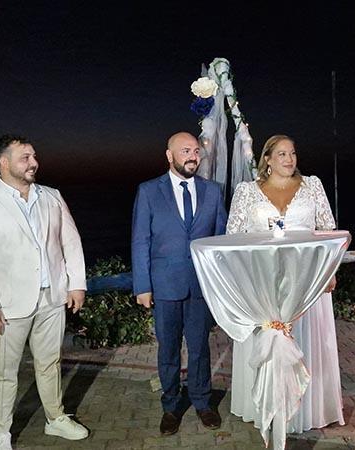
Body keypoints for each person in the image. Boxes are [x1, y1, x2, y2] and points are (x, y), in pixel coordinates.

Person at [0, 135, 90, 450]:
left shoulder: (51, 196)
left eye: (33, 156)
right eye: (25, 158)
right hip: (6, 306)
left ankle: (55, 418)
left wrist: (76, 283)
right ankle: (1, 433)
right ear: (4, 163)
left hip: (52, 298)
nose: (34, 163)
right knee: (3, 373)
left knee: (50, 363)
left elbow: (70, 241)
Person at [226, 134, 345, 433]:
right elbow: (233, 238)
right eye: (281, 154)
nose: (289, 159)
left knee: (305, 343)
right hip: (262, 285)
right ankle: (266, 409)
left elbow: (329, 232)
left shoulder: (312, 186)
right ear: (267, 159)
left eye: (292, 153)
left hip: (307, 283)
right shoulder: (246, 192)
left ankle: (306, 411)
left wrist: (329, 271)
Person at [131, 131, 228, 435]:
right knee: (168, 350)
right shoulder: (149, 191)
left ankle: (203, 403)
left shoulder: (213, 191)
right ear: (169, 155)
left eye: (196, 151)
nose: (192, 157)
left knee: (200, 348)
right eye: (185, 151)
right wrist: (142, 286)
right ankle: (171, 406)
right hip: (164, 286)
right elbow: (140, 240)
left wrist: (220, 284)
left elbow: (220, 241)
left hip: (201, 286)